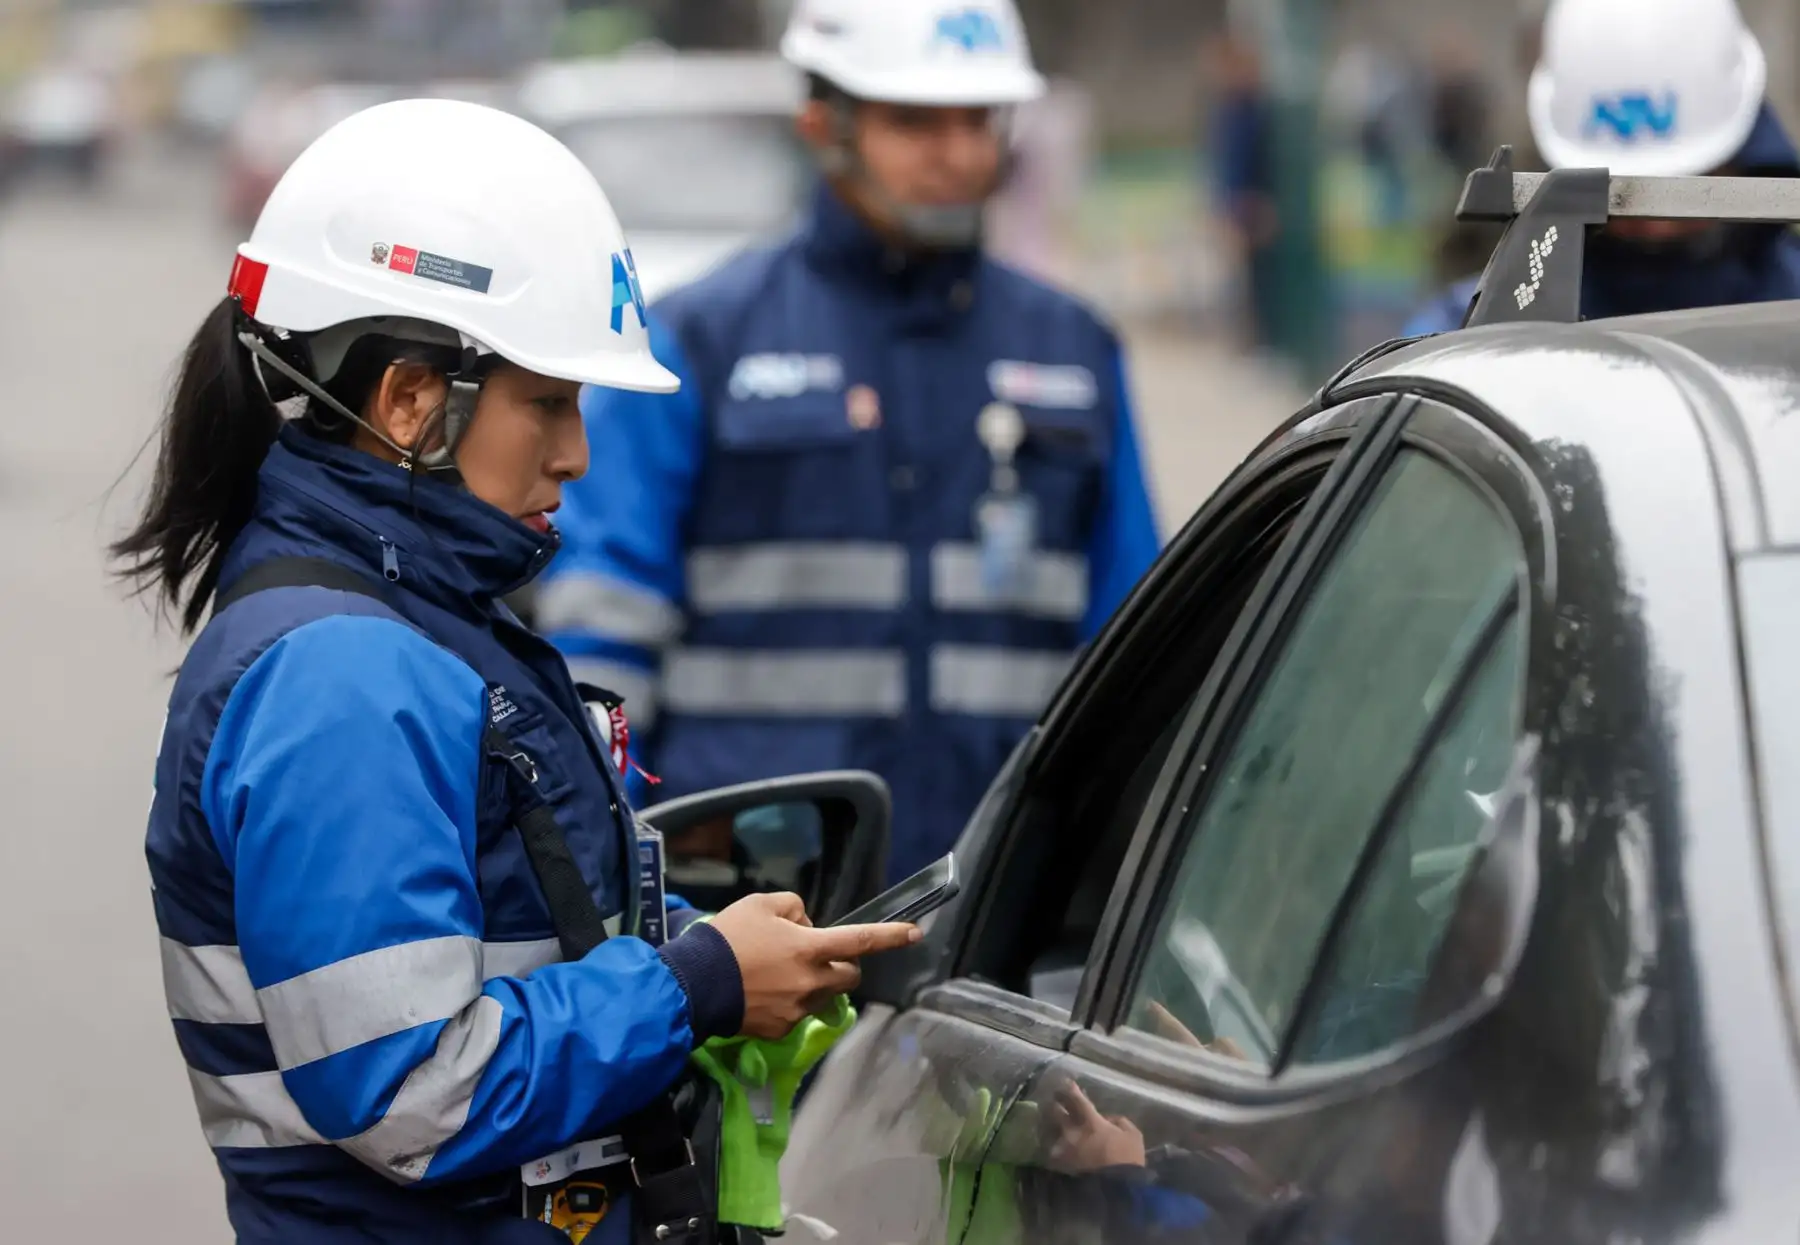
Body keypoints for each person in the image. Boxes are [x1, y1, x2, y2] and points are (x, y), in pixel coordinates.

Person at [114, 98, 917, 1244]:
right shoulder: (342, 680)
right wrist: (694, 984)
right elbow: (410, 1095)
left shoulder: (422, 622)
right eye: (548, 401)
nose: (578, 452)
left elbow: (520, 927)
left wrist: (711, 950)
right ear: (408, 402)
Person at [536, 0, 1161, 885]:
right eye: (914, 121)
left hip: (994, 896)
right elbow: (602, 621)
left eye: (978, 120)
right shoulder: (698, 341)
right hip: (745, 898)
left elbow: (1132, 634)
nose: (956, 153)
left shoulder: (1075, 348)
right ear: (823, 124)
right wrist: (617, 844)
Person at [1404, 0, 1800, 335]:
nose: (1655, 225)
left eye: (1686, 186)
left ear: (1741, 152)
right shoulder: (1463, 335)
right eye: (1617, 193)